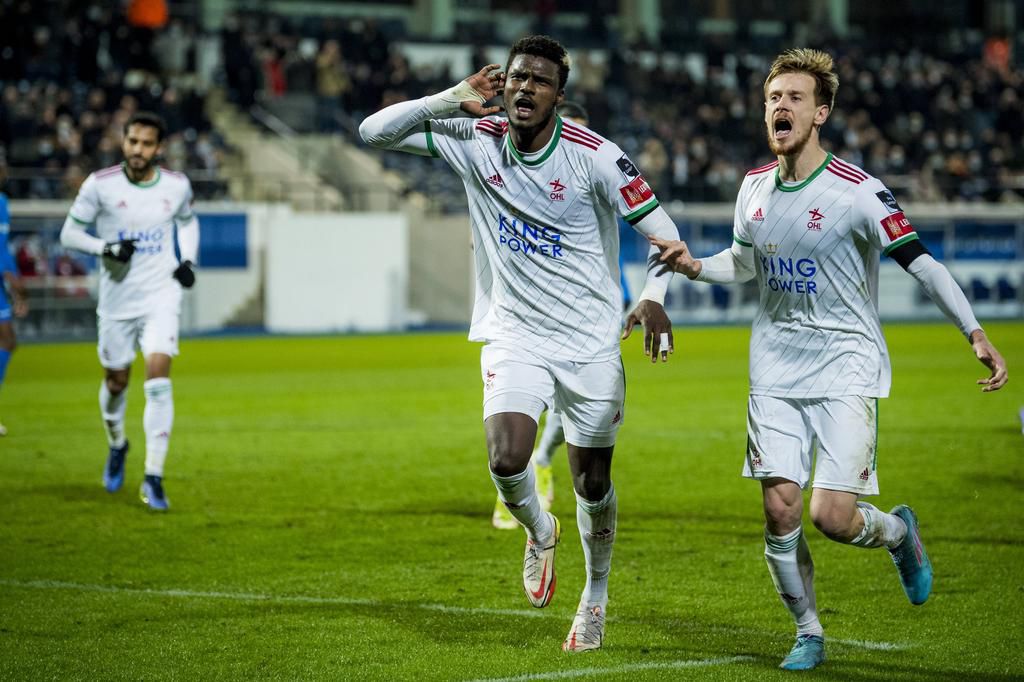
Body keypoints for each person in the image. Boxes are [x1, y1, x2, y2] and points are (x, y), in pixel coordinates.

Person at [651, 48, 1008, 671]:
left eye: (793, 97)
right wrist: (693, 267)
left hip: (846, 366)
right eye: (772, 98)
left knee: (831, 516)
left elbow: (922, 262)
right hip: (775, 370)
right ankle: (809, 630)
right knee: (780, 507)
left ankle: (898, 534)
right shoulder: (752, 188)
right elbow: (743, 263)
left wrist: (973, 331)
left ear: (822, 112)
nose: (779, 107)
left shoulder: (860, 193)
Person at [361, 35, 679, 651]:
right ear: (500, 83)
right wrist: (451, 98)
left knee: (592, 483)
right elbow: (373, 131)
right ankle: (540, 530)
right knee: (507, 459)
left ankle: (595, 597)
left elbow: (665, 237)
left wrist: (655, 296)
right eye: (516, 77)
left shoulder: (598, 157)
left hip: (589, 342)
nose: (524, 88)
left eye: (539, 80)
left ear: (560, 95)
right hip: (514, 332)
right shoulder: (474, 140)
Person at [491, 101, 633, 530]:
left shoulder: (595, 169)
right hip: (528, 318)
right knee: (518, 418)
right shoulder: (518, 179)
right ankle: (526, 482)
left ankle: (542, 462)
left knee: (570, 414)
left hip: (592, 312)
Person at [60, 111, 200, 512]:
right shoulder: (99, 185)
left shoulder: (175, 186)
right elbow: (69, 233)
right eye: (132, 141)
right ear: (124, 142)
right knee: (117, 381)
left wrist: (187, 261)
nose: (138, 150)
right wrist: (105, 248)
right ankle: (118, 443)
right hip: (117, 301)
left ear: (160, 148)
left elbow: (188, 223)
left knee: (158, 379)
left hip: (162, 295)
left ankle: (154, 477)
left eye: (146, 143)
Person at [0, 165, 30, 435]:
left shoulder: (2, 202)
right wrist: (14, 281)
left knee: (7, 340)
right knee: (7, 339)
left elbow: (2, 247)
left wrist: (12, 279)